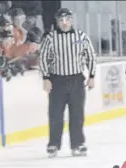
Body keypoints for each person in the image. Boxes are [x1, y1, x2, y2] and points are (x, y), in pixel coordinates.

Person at [39, 8, 96, 158]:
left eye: (67, 19)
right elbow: (43, 58)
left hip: (76, 80)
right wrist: (46, 78)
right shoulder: (50, 37)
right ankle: (53, 144)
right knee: (55, 115)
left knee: (77, 115)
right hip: (57, 80)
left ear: (71, 20)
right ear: (57, 22)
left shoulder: (81, 35)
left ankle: (78, 144)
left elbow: (90, 55)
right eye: (61, 20)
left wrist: (92, 75)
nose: (64, 23)